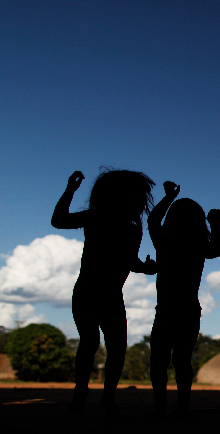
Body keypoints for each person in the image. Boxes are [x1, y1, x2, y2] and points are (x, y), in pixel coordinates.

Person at [51, 169, 157, 417]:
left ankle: (105, 398)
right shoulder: (97, 217)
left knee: (115, 347)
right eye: (135, 196)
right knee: (91, 342)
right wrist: (70, 190)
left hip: (110, 295)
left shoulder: (133, 226)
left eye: (140, 197)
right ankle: (83, 396)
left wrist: (146, 267)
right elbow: (59, 220)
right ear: (116, 197)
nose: (140, 202)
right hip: (89, 292)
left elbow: (130, 261)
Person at [147, 181, 220, 417]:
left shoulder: (165, 242)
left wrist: (169, 196)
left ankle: (162, 405)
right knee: (182, 360)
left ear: (172, 219)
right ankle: (183, 405)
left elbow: (152, 221)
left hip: (167, 309)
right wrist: (216, 224)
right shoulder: (199, 245)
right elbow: (218, 248)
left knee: (159, 360)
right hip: (189, 309)